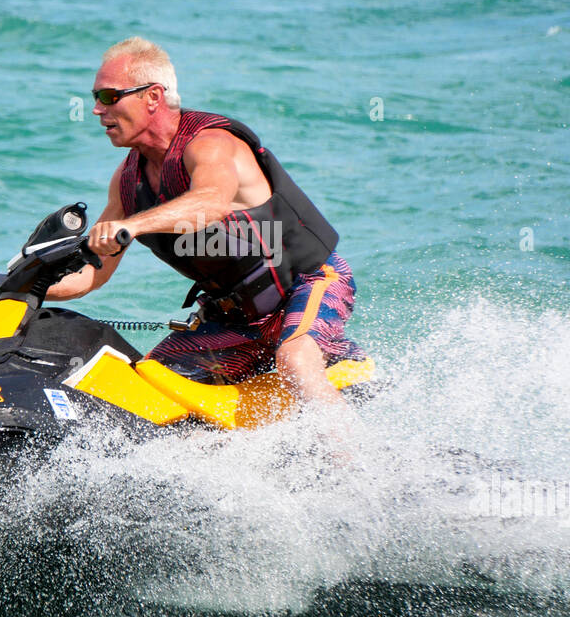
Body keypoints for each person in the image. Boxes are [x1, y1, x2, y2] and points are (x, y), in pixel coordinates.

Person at [21, 37, 364, 404]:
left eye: (108, 97)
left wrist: (134, 225)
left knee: (295, 360)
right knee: (147, 389)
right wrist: (25, 290)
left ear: (152, 96)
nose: (96, 110)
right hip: (233, 320)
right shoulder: (127, 181)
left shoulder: (211, 143)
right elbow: (94, 273)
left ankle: (357, 461)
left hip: (307, 285)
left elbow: (210, 203)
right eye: (95, 98)